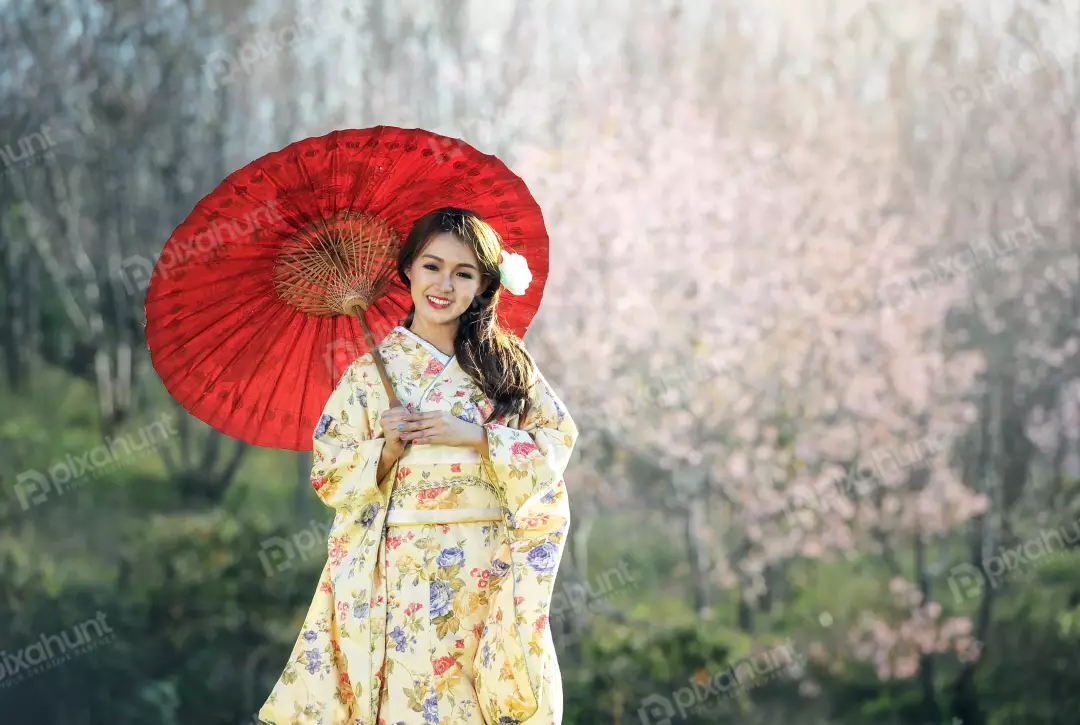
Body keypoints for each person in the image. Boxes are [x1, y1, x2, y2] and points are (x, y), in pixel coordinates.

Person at [258, 208, 578, 725]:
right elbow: (329, 472)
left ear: (483, 285)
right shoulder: (368, 375)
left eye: (464, 273)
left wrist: (476, 436)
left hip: (485, 566)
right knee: (405, 698)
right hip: (397, 571)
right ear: (407, 270)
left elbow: (554, 443)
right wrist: (384, 450)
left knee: (477, 699)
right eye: (432, 266)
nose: (444, 285)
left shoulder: (505, 367)